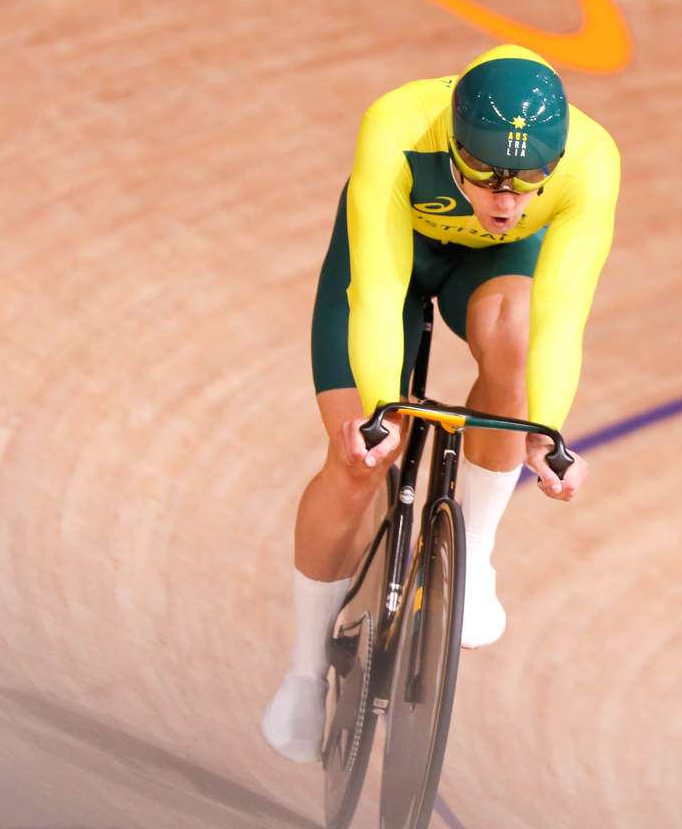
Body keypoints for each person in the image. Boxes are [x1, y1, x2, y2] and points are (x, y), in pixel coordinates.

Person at [261, 44, 619, 761]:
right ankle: (304, 669)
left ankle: (474, 555)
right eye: (485, 177)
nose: (505, 200)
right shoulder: (397, 125)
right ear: (453, 143)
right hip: (390, 257)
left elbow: (563, 310)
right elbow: (375, 289)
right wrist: (382, 406)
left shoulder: (593, 160)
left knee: (516, 341)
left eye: (526, 185)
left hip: (493, 269)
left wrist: (545, 432)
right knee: (358, 461)